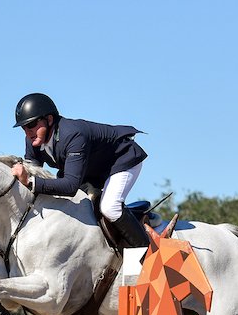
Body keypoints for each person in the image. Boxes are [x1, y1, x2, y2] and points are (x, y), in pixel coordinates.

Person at [10, 92, 150, 248]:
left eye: (31, 125)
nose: (28, 131)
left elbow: (70, 186)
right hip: (91, 169)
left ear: (49, 120)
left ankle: (148, 254)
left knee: (110, 207)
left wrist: (29, 182)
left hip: (121, 160)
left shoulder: (73, 134)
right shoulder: (32, 140)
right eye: (24, 127)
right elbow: (33, 171)